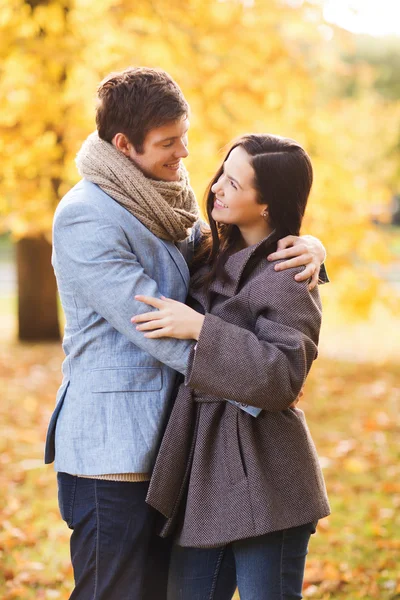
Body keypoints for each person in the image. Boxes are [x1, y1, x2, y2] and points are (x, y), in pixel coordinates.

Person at [44, 66, 327, 600]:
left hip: (178, 457)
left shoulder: (166, 206)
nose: (187, 158)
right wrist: (250, 373)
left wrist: (309, 245)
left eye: (186, 139)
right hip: (116, 454)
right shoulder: (87, 216)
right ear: (125, 145)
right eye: (169, 143)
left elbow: (252, 248)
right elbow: (156, 325)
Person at [134, 134, 331, 600]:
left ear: (267, 205)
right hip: (202, 472)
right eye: (222, 171)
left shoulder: (289, 274)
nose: (218, 186)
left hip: (267, 473)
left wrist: (202, 330)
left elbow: (283, 377)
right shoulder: (206, 253)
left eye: (235, 183)